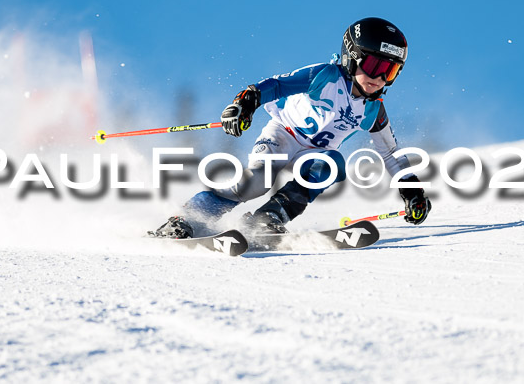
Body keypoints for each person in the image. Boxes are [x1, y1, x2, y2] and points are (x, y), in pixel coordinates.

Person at [152, 17, 431, 238]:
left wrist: (412, 191)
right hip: (282, 136)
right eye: (373, 66)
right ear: (352, 56)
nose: (380, 78)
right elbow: (276, 85)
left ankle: (269, 218)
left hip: (311, 157)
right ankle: (185, 219)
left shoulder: (373, 110)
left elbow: (391, 154)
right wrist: (246, 102)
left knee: (332, 164)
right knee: (255, 184)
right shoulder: (325, 76)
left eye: (390, 71)